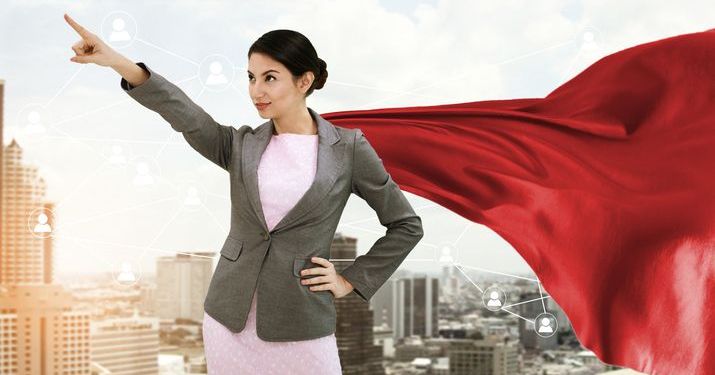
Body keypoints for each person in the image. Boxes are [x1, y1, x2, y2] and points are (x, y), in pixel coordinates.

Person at [64, 13, 423, 374]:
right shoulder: (241, 146)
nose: (256, 90)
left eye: (270, 78)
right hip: (228, 321)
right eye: (251, 78)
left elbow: (406, 224)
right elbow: (184, 113)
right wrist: (118, 62)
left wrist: (349, 281)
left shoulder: (347, 149)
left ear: (304, 81)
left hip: (301, 322)